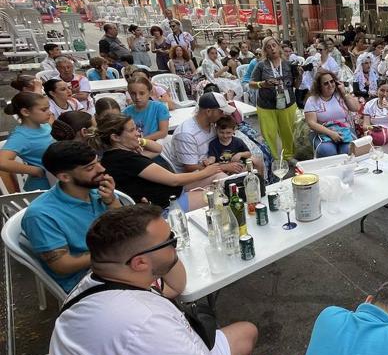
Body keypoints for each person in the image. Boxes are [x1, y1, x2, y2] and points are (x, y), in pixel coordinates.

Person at [48, 205, 296, 355]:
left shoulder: (105, 279)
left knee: (246, 331)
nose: (175, 244)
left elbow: (176, 286)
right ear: (140, 262)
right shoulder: (139, 321)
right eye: (170, 240)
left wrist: (165, 254)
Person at [21, 141, 120, 292]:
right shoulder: (40, 215)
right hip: (86, 281)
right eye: (90, 168)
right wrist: (117, 250)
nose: (102, 169)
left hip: (114, 263)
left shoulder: (95, 190)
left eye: (98, 162)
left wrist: (111, 201)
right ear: (65, 177)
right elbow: (63, 265)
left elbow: (125, 223)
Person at [97, 114, 223, 211]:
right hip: (166, 206)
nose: (137, 133)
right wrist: (205, 172)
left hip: (173, 191)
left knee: (220, 178)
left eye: (136, 129)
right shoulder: (126, 160)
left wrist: (139, 141)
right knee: (220, 197)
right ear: (115, 137)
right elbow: (174, 180)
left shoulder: (114, 156)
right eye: (131, 131)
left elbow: (158, 149)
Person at [248, 37, 300, 161]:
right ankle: (273, 159)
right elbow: (250, 83)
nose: (272, 49)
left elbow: (296, 85)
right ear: (265, 50)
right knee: (269, 134)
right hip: (266, 105)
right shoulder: (261, 65)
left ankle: (289, 156)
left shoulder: (287, 64)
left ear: (278, 46)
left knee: (288, 132)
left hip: (287, 103)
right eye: (268, 47)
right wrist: (262, 84)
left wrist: (300, 75)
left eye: (274, 45)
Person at [170, 92, 245, 175]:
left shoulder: (213, 124)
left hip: (215, 164)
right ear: (208, 111)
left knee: (254, 162)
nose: (223, 115)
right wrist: (224, 167)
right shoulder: (186, 134)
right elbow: (190, 168)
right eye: (221, 111)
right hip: (194, 176)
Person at [0, 92, 54, 191]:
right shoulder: (21, 136)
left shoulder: (45, 125)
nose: (49, 112)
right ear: (25, 112)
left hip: (56, 180)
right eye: (44, 110)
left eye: (48, 108)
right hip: (43, 189)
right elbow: (2, 162)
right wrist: (36, 171)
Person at [304, 70, 360, 157]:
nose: (330, 85)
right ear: (319, 86)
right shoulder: (312, 100)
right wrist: (331, 133)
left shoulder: (340, 95)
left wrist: (343, 92)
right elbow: (311, 123)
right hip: (322, 132)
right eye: (326, 83)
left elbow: (355, 108)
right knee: (328, 151)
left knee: (348, 149)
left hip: (344, 130)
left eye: (332, 81)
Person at [122, 76, 169, 141]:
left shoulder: (159, 108)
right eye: (133, 94)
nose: (137, 97)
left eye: (142, 93)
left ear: (149, 93)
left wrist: (141, 141)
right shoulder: (126, 112)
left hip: (155, 143)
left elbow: (163, 132)